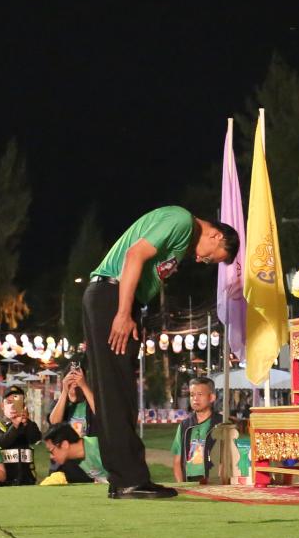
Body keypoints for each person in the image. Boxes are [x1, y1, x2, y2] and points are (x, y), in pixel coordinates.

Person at [82, 205, 237, 499]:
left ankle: (123, 478)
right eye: (210, 257)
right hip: (111, 297)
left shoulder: (181, 239)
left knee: (117, 392)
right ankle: (129, 480)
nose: (201, 260)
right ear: (216, 236)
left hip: (115, 298)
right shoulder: (181, 220)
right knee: (116, 391)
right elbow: (134, 255)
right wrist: (123, 313)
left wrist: (134, 314)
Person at [46, 362, 103, 479]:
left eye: (77, 379)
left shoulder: (90, 402)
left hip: (88, 461)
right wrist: (64, 391)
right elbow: (54, 422)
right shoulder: (60, 404)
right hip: (64, 461)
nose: (74, 384)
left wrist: (84, 386)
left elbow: (102, 414)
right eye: (70, 380)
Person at [171, 376, 223, 484]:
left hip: (213, 483)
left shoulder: (221, 424)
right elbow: (177, 462)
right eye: (192, 395)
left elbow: (227, 461)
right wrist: (182, 485)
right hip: (189, 483)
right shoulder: (184, 426)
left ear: (211, 397)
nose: (195, 398)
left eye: (200, 394)